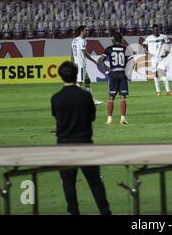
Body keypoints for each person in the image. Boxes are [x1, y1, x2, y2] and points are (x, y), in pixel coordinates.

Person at [51, 61, 111, 215]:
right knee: (95, 182)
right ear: (76, 74)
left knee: (68, 183)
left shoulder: (56, 98)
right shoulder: (85, 96)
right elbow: (92, 117)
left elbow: (57, 118)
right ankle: (105, 211)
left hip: (64, 145)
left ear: (60, 76)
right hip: (85, 143)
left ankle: (74, 211)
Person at [101, 32, 133, 125]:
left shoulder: (109, 49)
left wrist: (107, 70)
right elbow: (131, 62)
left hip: (113, 74)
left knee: (111, 96)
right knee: (123, 96)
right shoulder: (126, 49)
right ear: (122, 40)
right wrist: (128, 72)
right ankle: (122, 118)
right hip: (122, 74)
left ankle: (109, 119)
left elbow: (101, 60)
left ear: (113, 40)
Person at [71, 25, 103, 106]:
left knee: (87, 81)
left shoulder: (74, 40)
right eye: (86, 30)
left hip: (77, 63)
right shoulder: (82, 41)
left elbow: (72, 53)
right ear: (82, 31)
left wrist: (72, 63)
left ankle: (91, 100)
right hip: (81, 64)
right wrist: (94, 61)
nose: (87, 32)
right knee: (79, 82)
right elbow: (85, 54)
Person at [142, 24, 172, 96]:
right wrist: (147, 52)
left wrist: (167, 52)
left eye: (157, 29)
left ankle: (168, 91)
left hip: (161, 58)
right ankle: (158, 91)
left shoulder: (163, 37)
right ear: (152, 30)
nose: (156, 31)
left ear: (159, 30)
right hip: (153, 59)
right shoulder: (149, 38)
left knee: (163, 73)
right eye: (154, 29)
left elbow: (168, 43)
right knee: (155, 74)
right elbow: (144, 44)